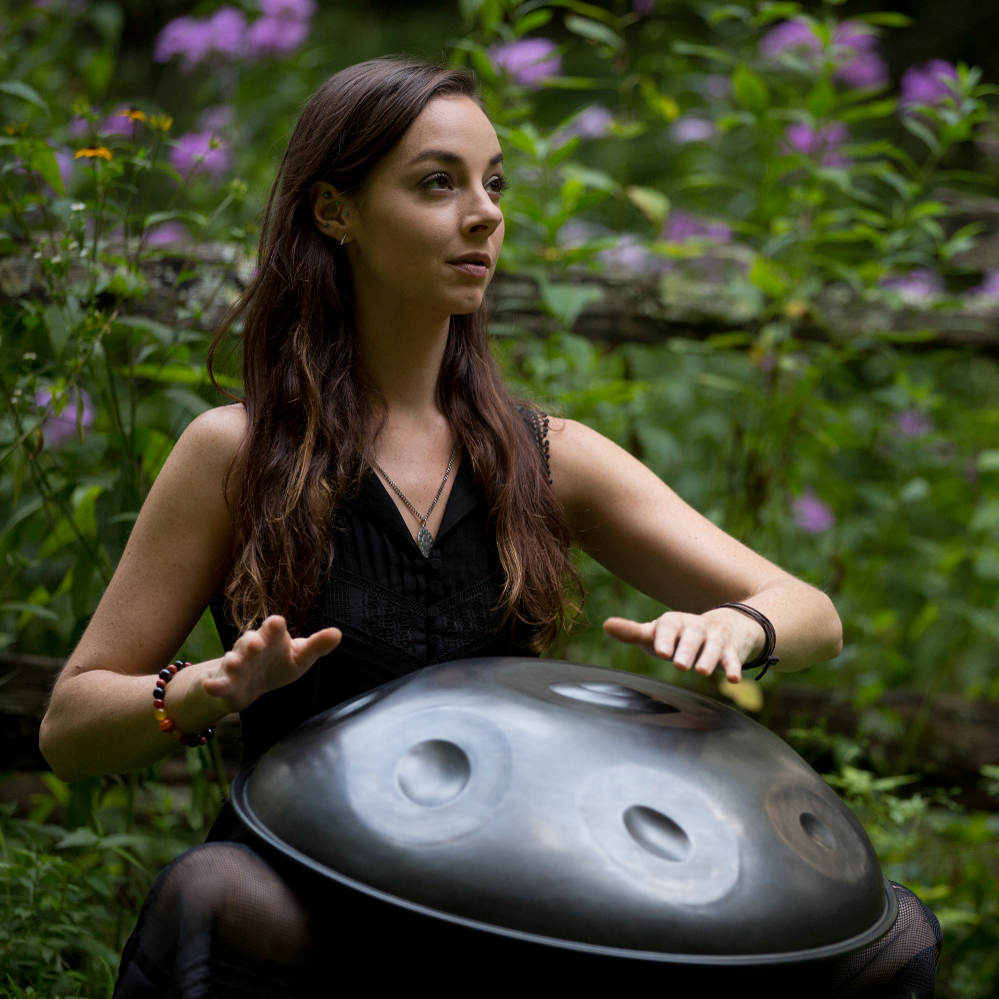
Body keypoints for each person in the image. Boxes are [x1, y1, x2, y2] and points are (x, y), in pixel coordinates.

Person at [39, 58, 939, 997]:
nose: (484, 213)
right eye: (438, 182)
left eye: (493, 181)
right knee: (210, 893)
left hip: (521, 906)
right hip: (323, 899)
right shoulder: (236, 452)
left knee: (890, 941)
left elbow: (812, 613)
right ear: (333, 212)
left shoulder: (549, 457)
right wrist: (204, 690)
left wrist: (737, 626)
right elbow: (70, 726)